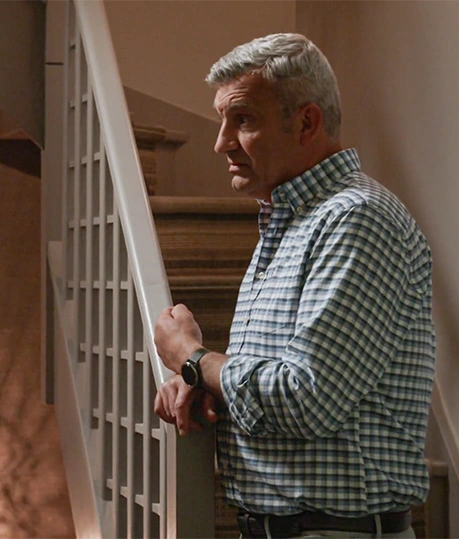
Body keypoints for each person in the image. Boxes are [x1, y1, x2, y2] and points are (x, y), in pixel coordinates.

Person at [153, 34, 434, 539]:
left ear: (306, 123)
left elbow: (307, 400)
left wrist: (192, 358)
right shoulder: (290, 224)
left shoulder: (356, 220)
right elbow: (285, 387)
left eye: (243, 119)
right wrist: (206, 384)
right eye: (222, 120)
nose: (221, 142)